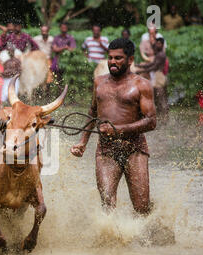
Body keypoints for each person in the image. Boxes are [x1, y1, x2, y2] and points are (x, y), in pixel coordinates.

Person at [71, 38, 156, 215]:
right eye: (110, 58)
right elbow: (93, 112)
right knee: (107, 204)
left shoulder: (142, 85)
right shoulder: (99, 83)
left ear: (130, 60)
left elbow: (151, 121)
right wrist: (83, 142)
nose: (112, 62)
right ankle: (112, 239)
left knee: (142, 208)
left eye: (118, 58)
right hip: (106, 150)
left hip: (135, 149)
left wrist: (118, 130)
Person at [135, 38, 168, 119]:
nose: (157, 45)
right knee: (157, 98)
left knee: (161, 99)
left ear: (162, 45)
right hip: (157, 76)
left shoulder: (161, 55)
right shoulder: (158, 54)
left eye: (159, 43)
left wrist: (141, 70)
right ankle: (161, 117)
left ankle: (165, 119)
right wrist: (140, 66)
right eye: (157, 43)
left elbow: (154, 67)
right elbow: (152, 64)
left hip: (159, 77)